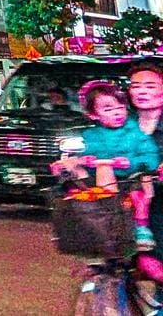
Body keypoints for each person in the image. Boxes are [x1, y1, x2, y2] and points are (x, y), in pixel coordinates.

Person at [62, 80, 161, 249]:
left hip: (130, 180)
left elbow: (151, 158)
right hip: (96, 183)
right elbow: (78, 155)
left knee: (135, 188)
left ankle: (140, 227)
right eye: (108, 109)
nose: (117, 113)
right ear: (93, 115)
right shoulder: (89, 136)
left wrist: (129, 163)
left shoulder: (136, 134)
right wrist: (79, 161)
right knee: (73, 166)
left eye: (120, 107)